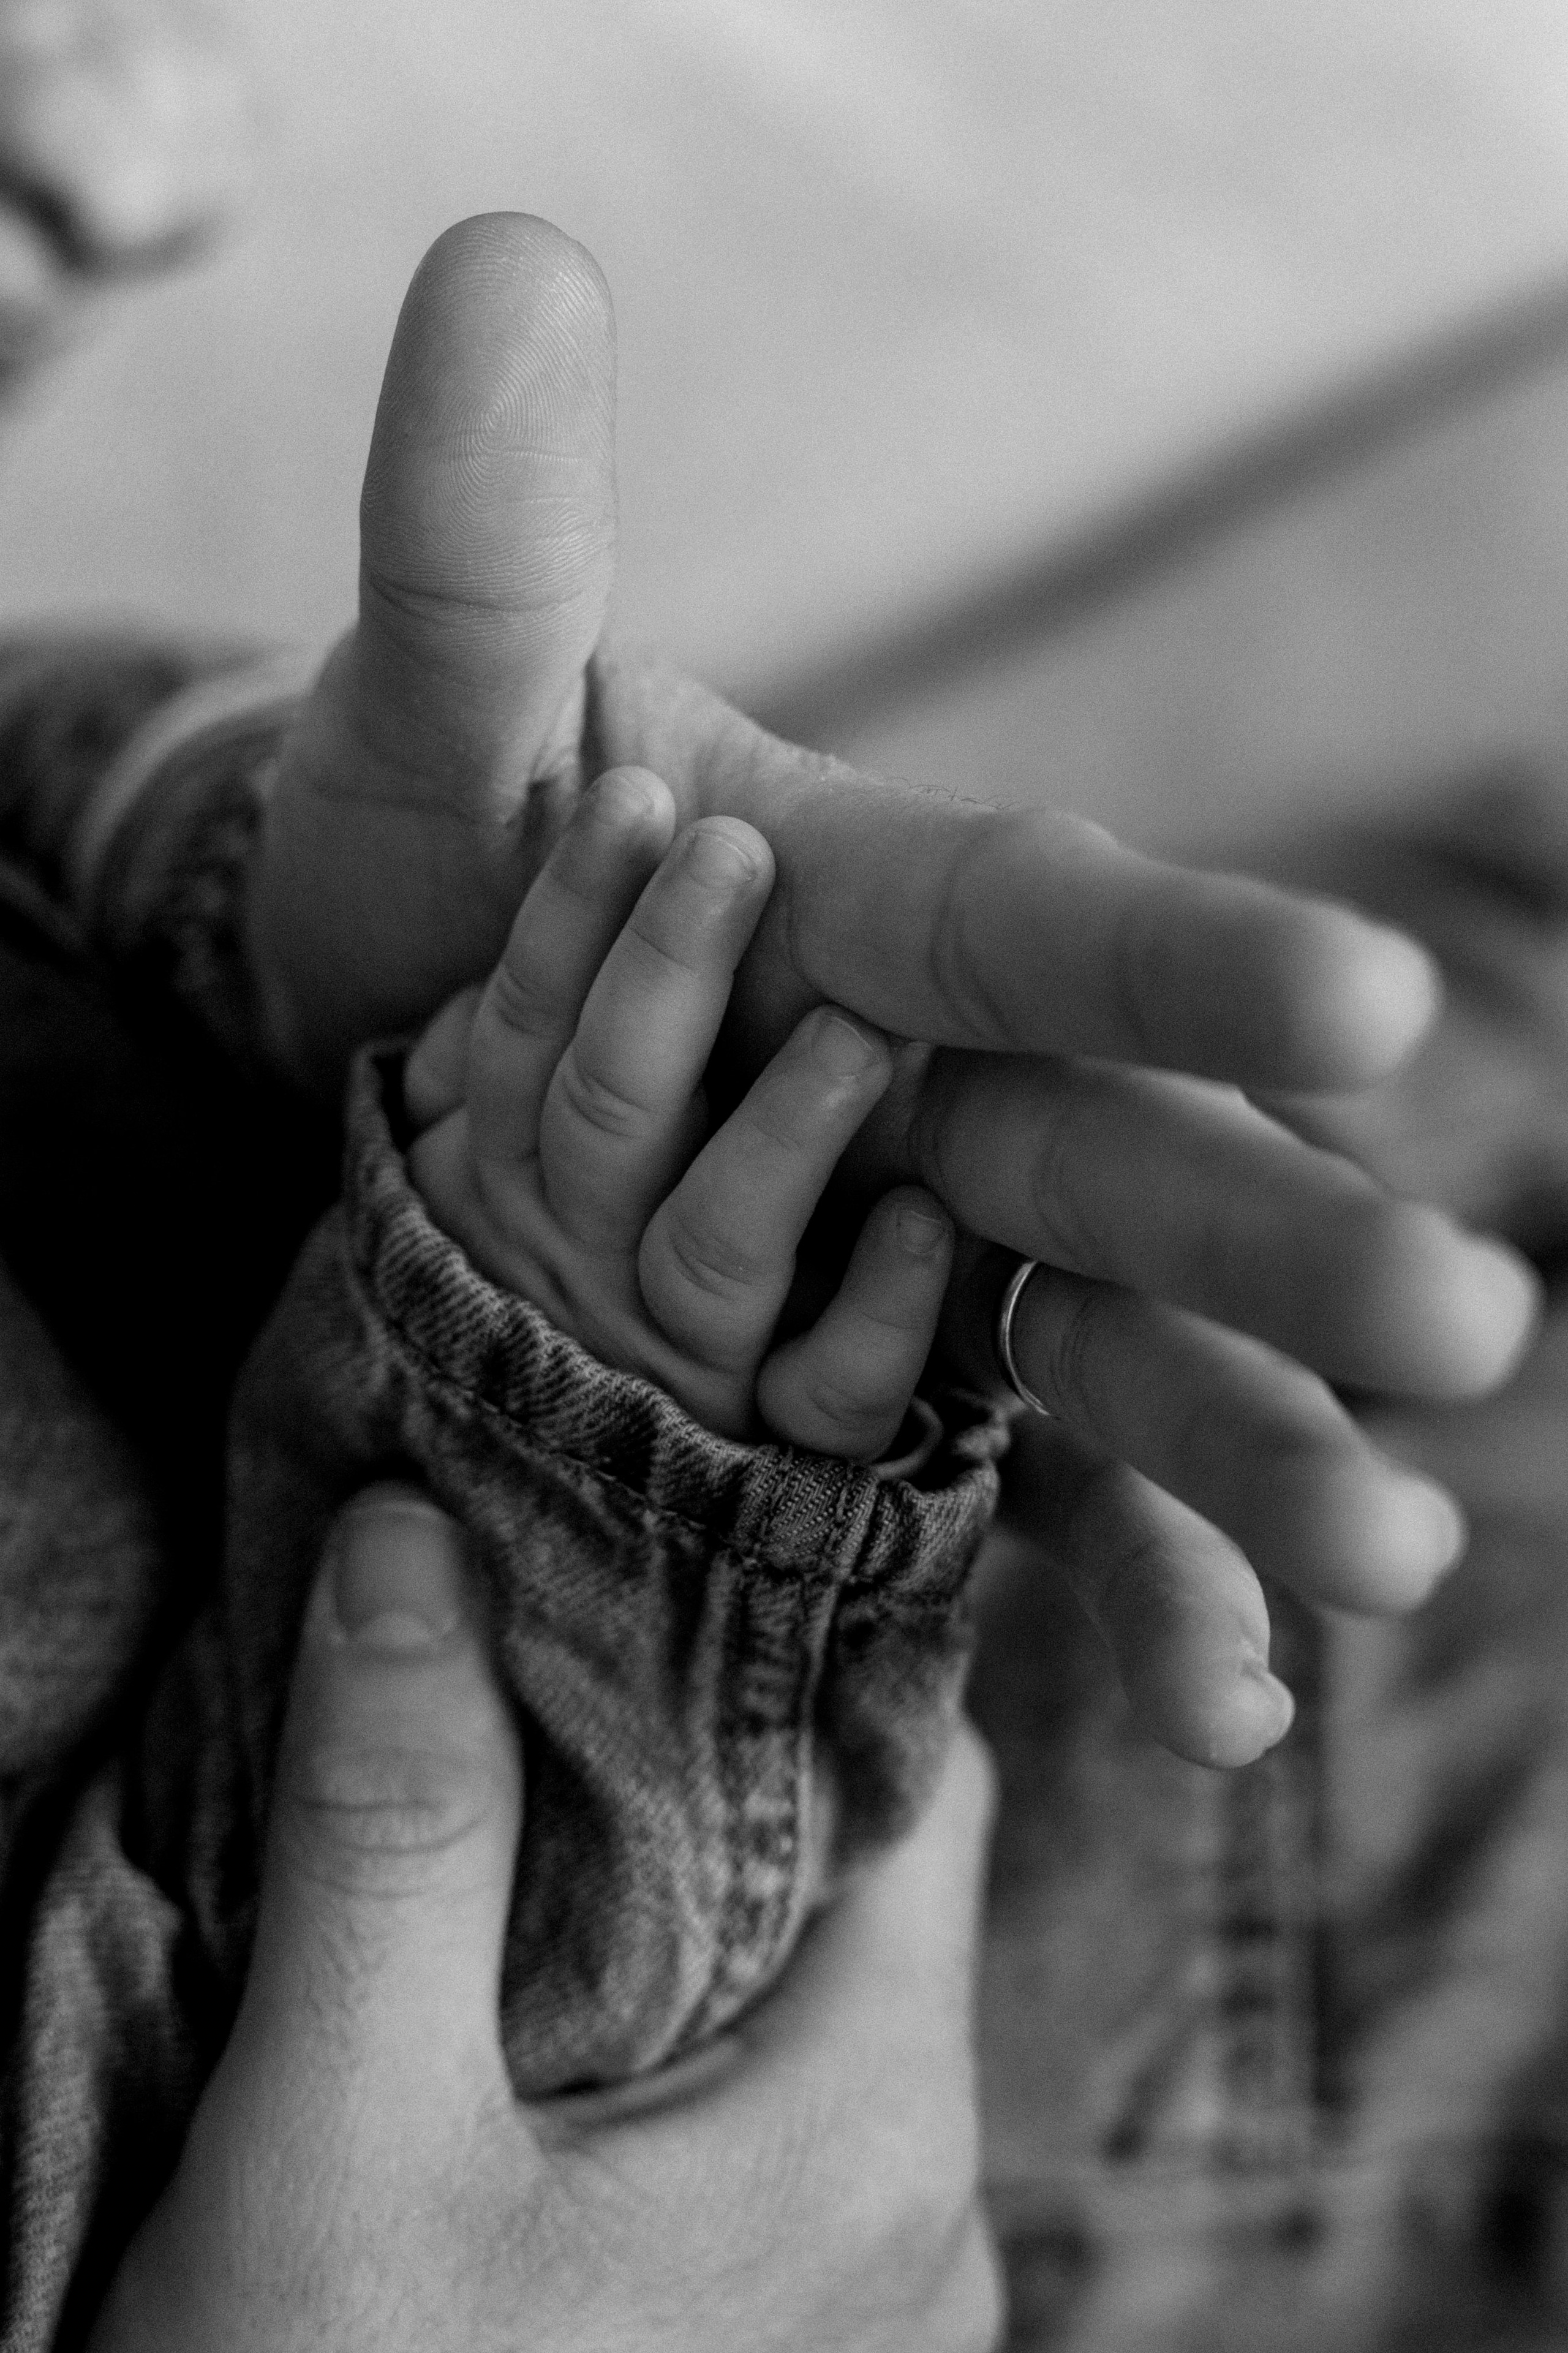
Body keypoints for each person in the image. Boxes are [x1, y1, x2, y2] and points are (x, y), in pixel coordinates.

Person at [0, 205, 1544, 2346]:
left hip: (702, 1279)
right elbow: (304, 2066)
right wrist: (580, 1455)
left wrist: (226, 863)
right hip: (944, 2049)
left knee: (1325, 1078)